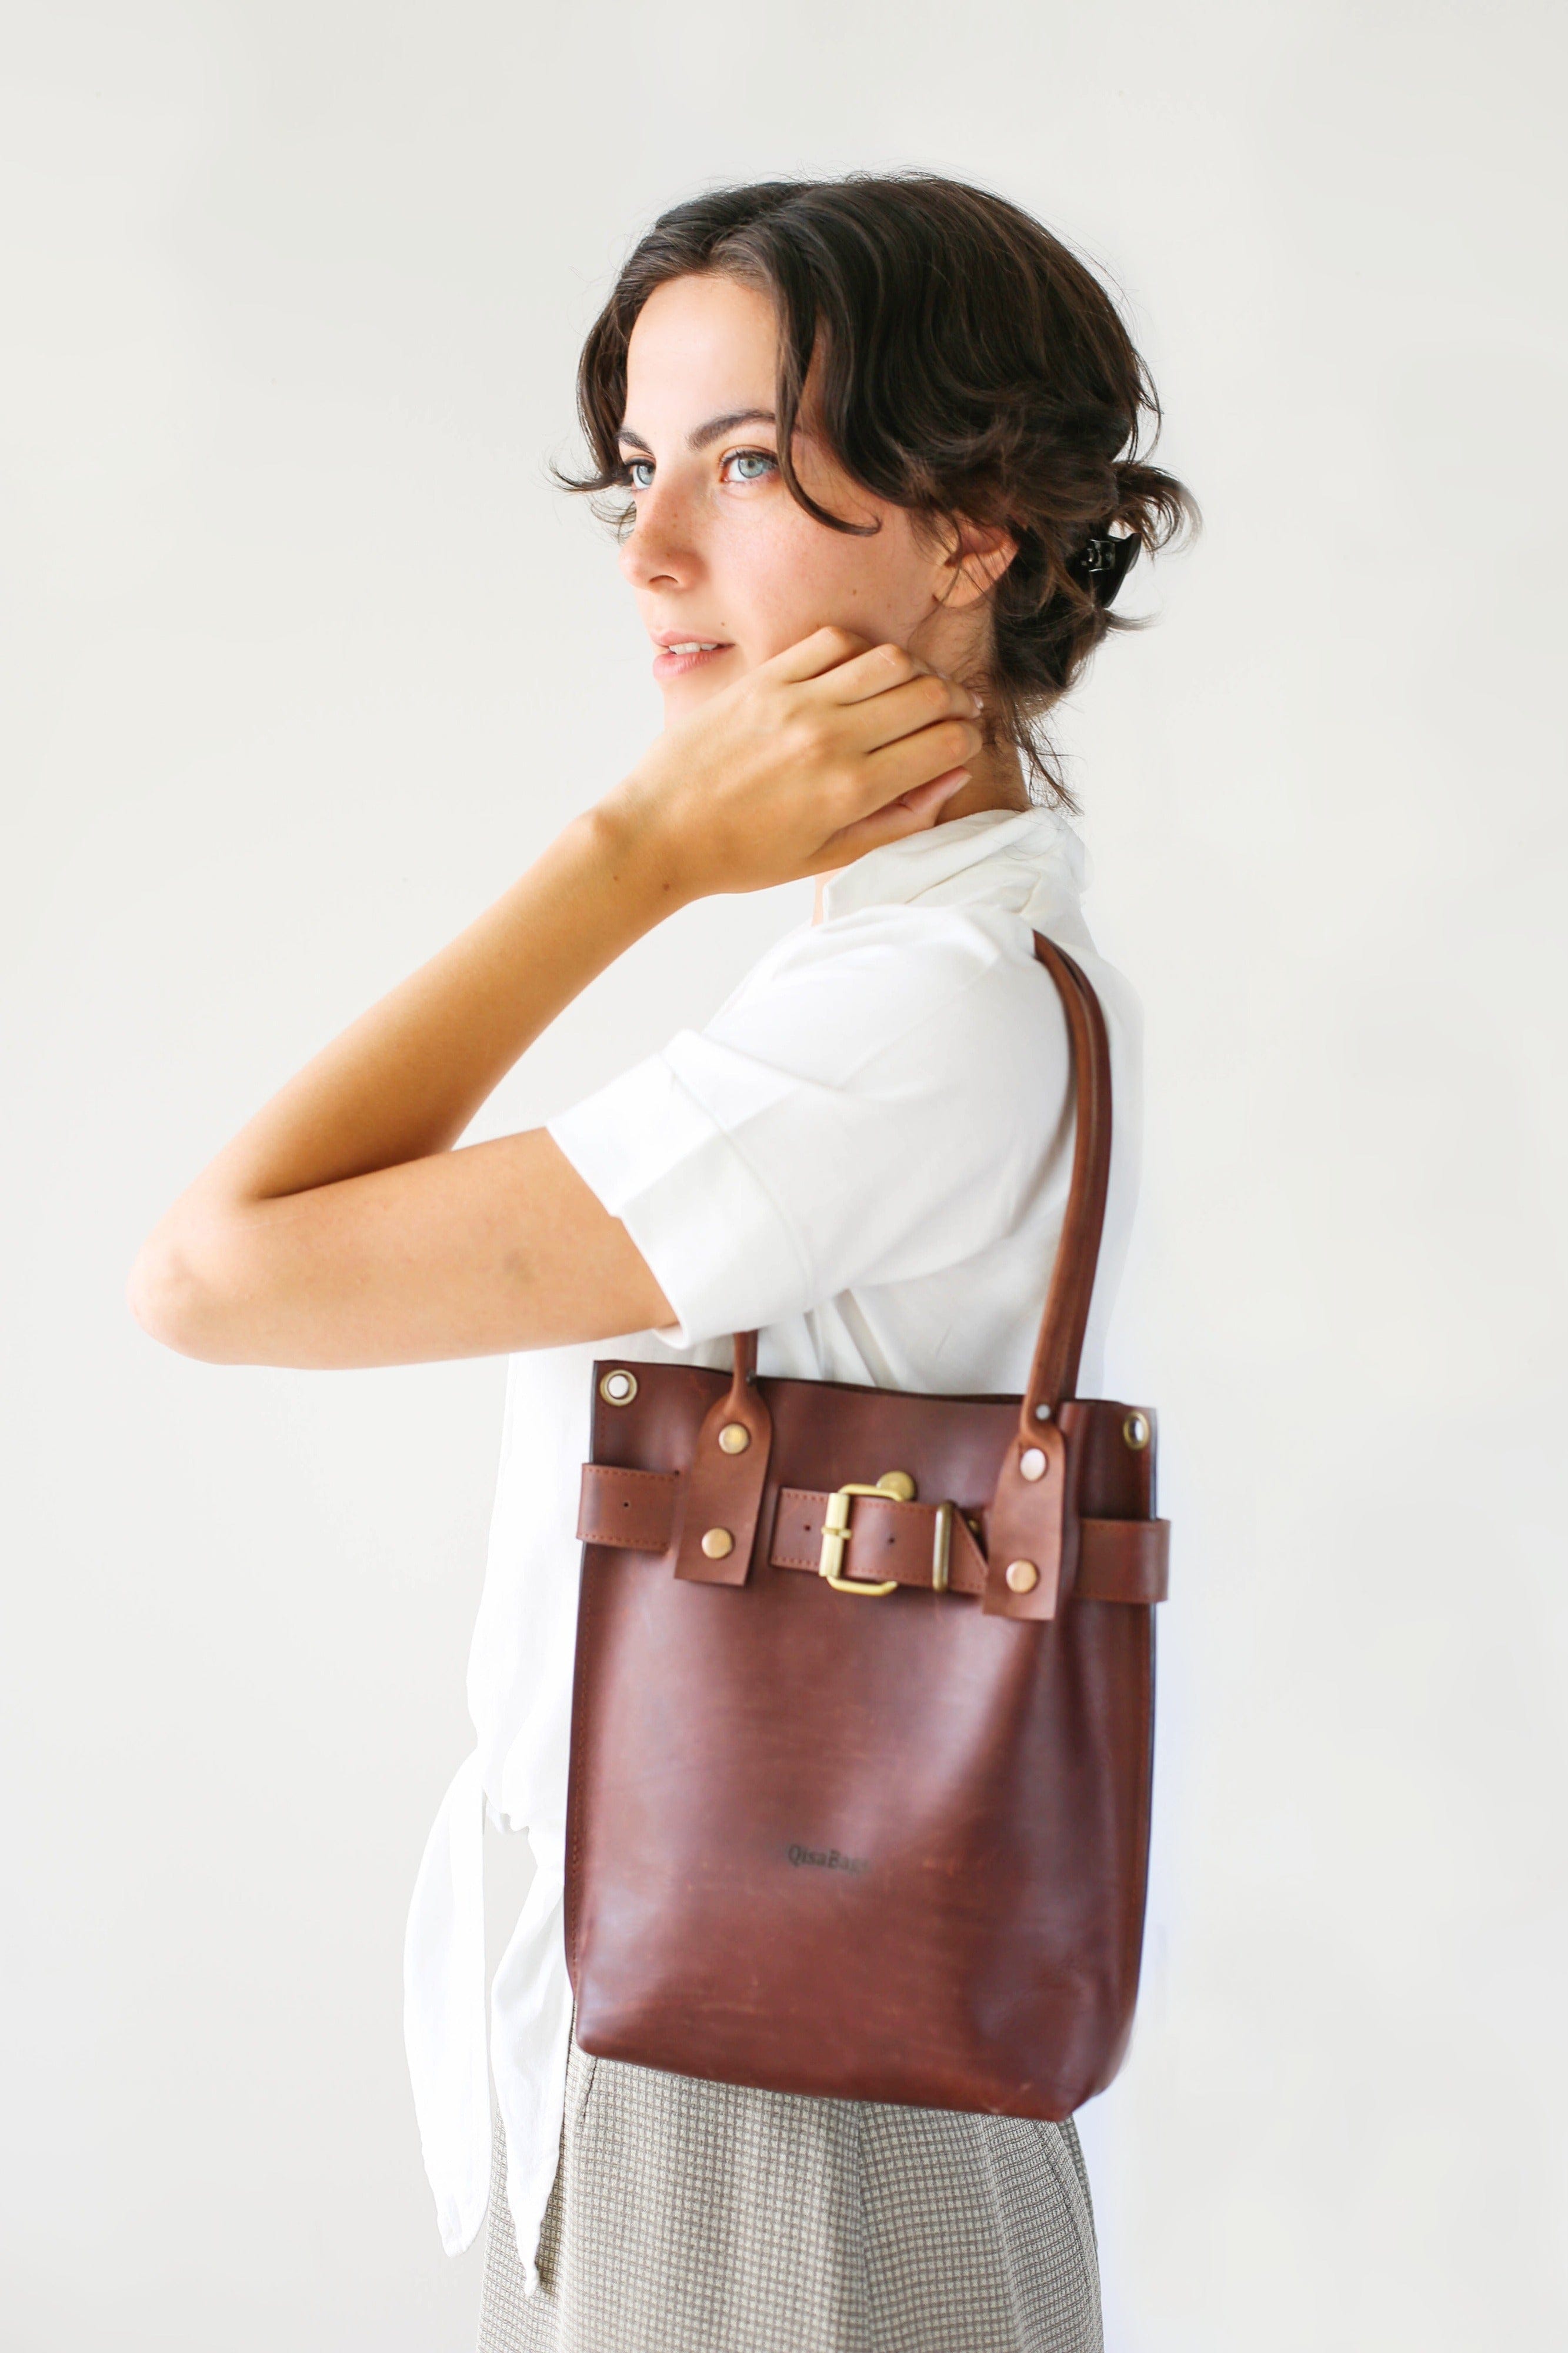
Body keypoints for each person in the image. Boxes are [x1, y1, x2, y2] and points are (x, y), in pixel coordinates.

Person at [130, 173, 1196, 2353]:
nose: (650, 551)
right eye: (638, 468)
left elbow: (215, 1274)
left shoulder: (912, 1014)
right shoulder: (938, 963)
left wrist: (626, 856)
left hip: (775, 2081)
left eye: (743, 464)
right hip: (727, 2014)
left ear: (970, 528)